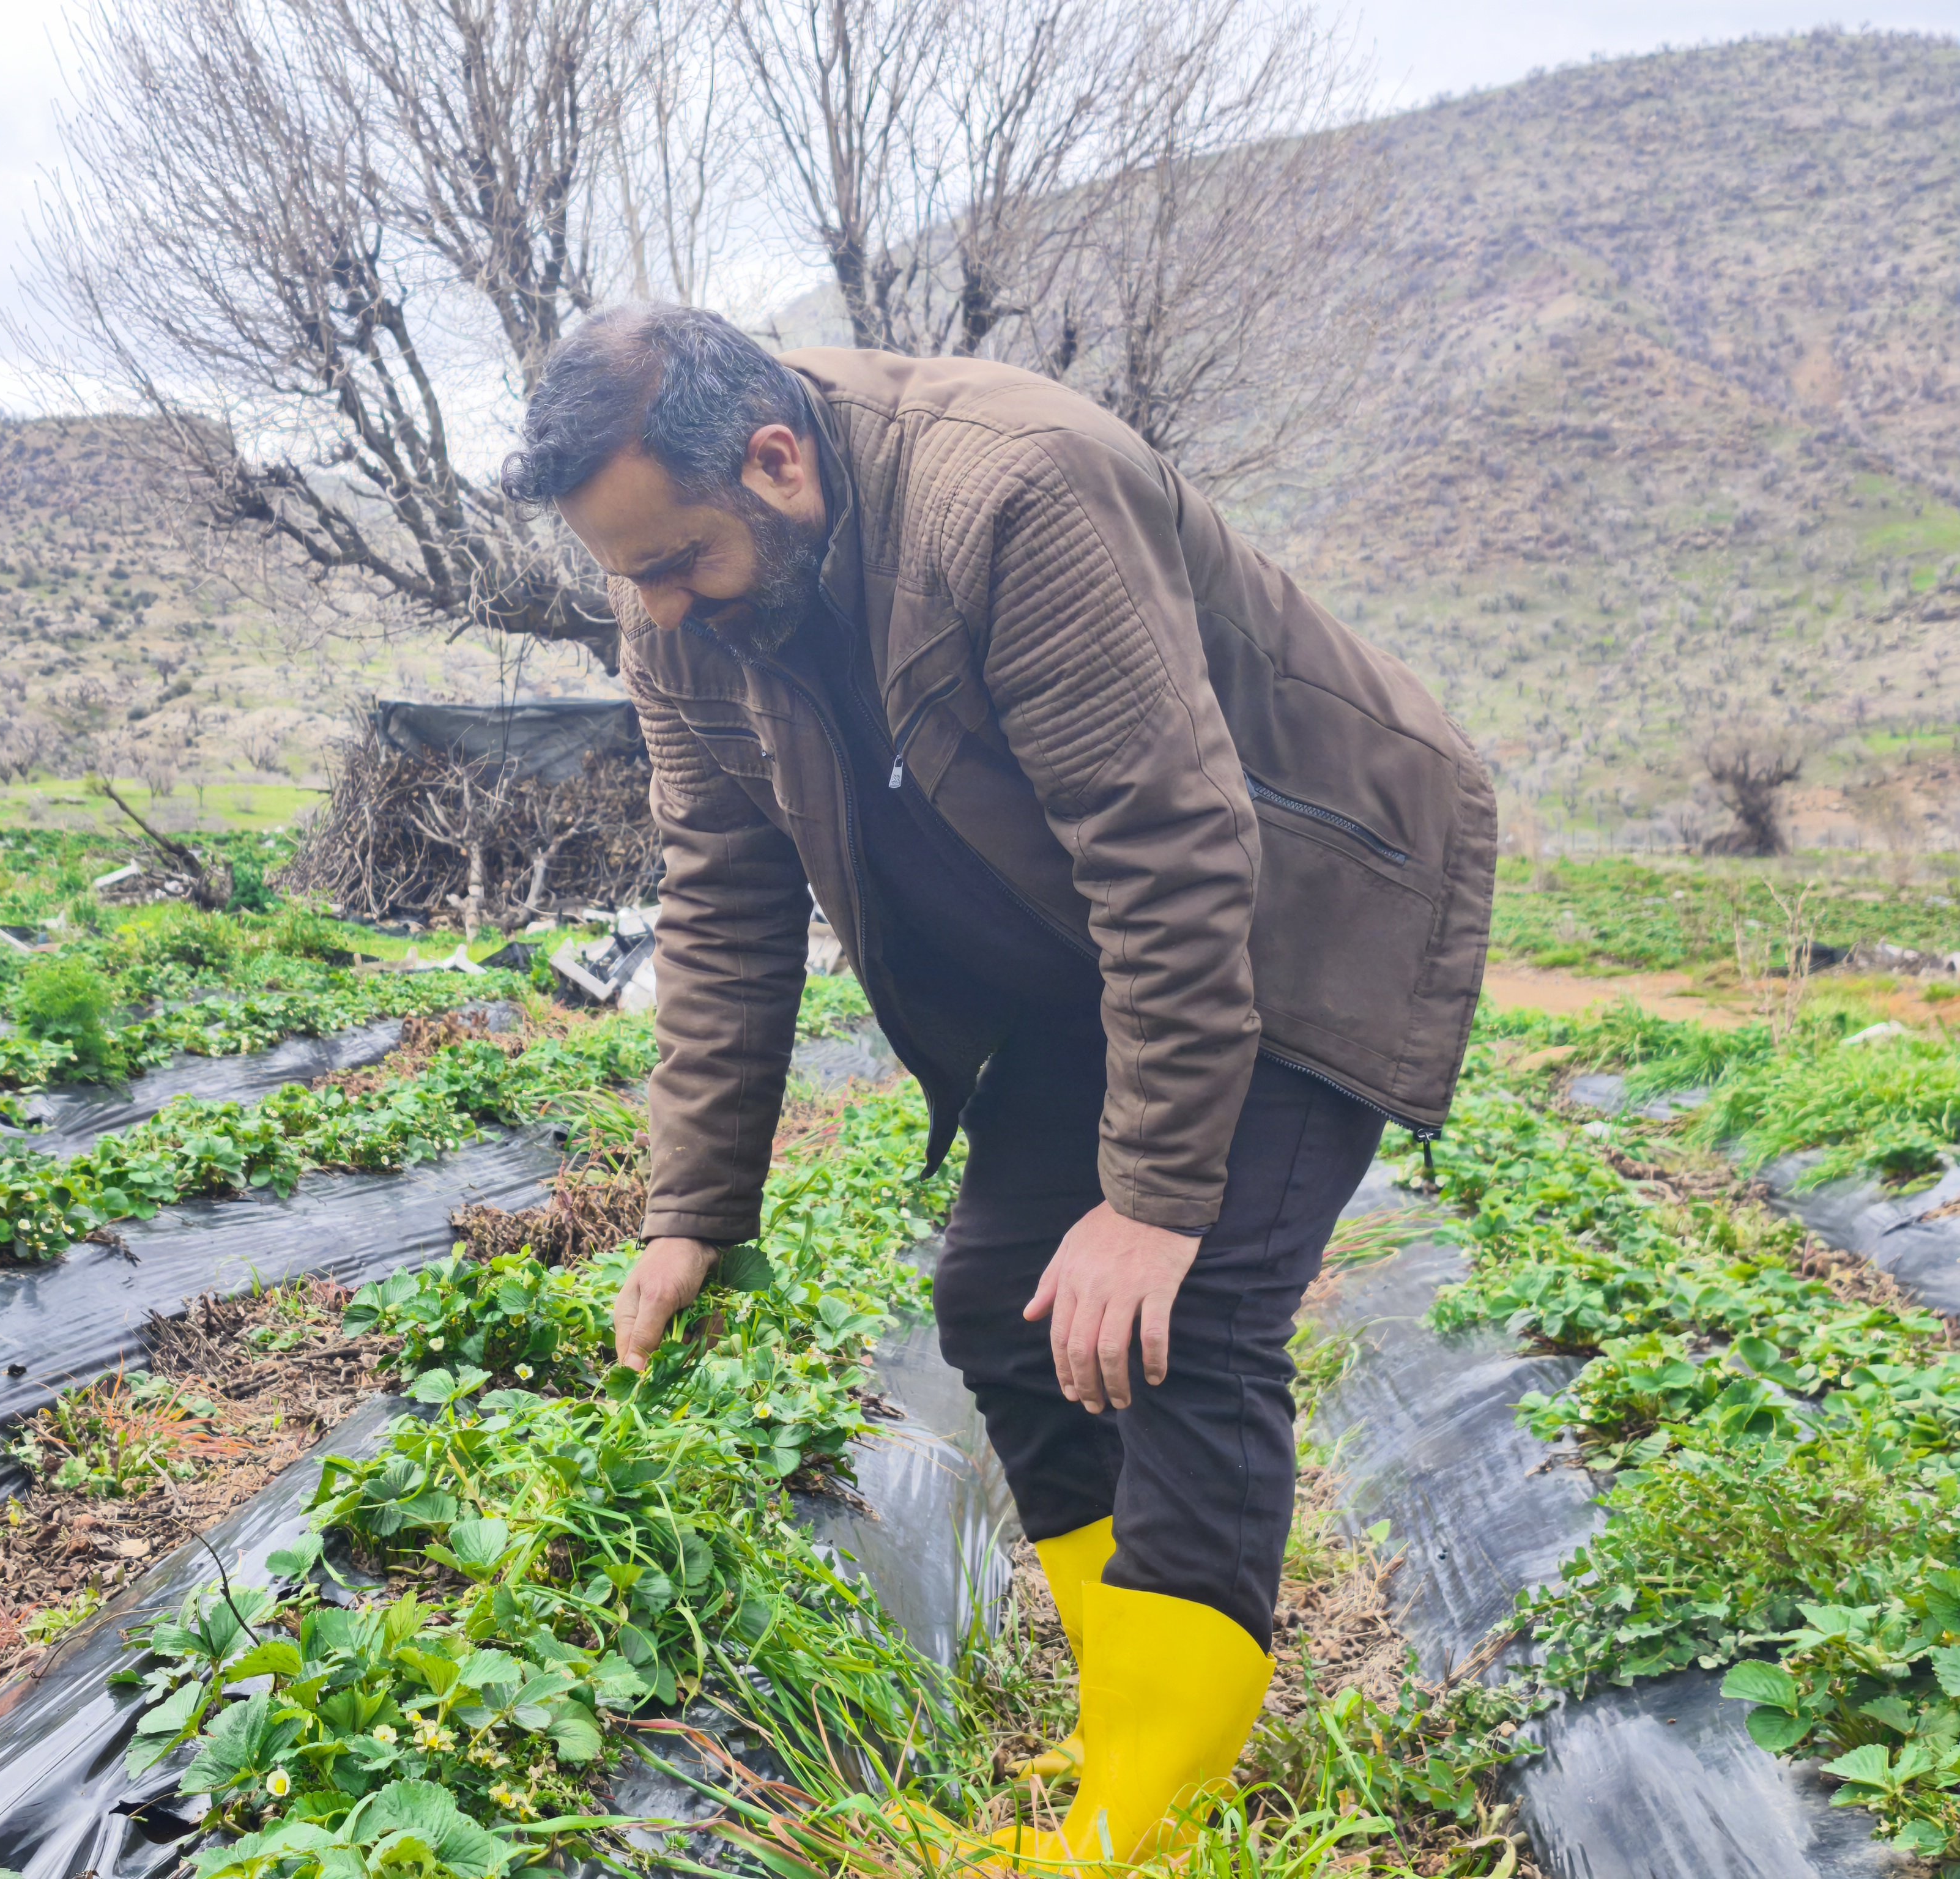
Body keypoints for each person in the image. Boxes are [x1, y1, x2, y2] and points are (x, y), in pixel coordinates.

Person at [500, 304, 1494, 1865]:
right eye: (631, 577)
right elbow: (723, 897)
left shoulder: (1010, 491)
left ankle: (1141, 1832)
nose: (663, 611)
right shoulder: (677, 607)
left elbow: (1172, 852)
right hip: (1077, 956)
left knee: (1184, 1319)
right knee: (999, 1301)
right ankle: (1135, 1720)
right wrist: (693, 1207)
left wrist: (1155, 1203)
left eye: (681, 561)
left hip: (1299, 912)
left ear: (776, 461)